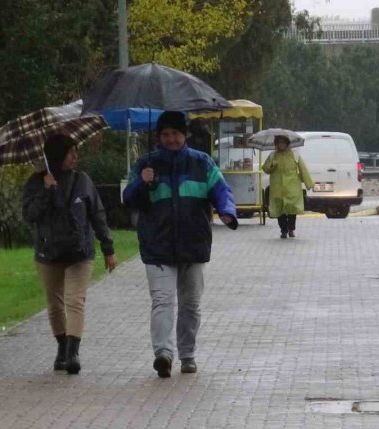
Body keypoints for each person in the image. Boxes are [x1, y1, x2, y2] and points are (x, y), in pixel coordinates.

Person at [123, 110, 238, 378]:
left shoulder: (202, 163)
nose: (171, 139)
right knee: (162, 301)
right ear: (158, 137)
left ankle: (187, 354)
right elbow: (128, 198)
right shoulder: (145, 165)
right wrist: (143, 182)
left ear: (185, 135)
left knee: (190, 304)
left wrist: (226, 210)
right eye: (165, 134)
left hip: (193, 244)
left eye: (175, 133)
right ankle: (163, 353)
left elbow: (222, 190)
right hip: (157, 246)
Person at [22, 135, 117, 375]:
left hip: (80, 252)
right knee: (55, 304)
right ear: (56, 156)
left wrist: (108, 249)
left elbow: (97, 214)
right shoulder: (35, 182)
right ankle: (62, 348)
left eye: (75, 152)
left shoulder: (82, 180)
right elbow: (30, 215)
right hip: (48, 254)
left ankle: (73, 353)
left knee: (75, 301)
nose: (75, 157)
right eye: (70, 152)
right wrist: (45, 190)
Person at [262, 135, 313, 239]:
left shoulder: (295, 155)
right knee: (279, 210)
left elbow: (303, 169)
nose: (281, 145)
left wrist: (309, 184)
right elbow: (265, 168)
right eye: (279, 143)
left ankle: (291, 229)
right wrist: (272, 166)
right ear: (276, 144)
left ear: (287, 143)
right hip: (277, 188)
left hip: (292, 187)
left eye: (283, 142)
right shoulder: (272, 156)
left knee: (292, 209)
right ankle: (283, 230)